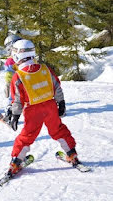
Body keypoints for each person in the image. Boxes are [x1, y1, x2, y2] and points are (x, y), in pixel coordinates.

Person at [5, 39, 80, 175]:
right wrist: (61, 102)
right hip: (50, 106)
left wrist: (15, 115)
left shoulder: (19, 76)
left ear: (17, 55)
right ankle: (72, 154)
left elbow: (17, 99)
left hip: (33, 110)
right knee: (58, 130)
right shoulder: (45, 69)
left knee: (27, 136)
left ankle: (16, 162)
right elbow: (56, 86)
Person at [2, 34, 22, 123]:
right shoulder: (27, 56)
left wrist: (7, 84)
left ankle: (9, 115)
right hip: (28, 82)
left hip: (16, 84)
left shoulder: (10, 60)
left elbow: (9, 73)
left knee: (13, 98)